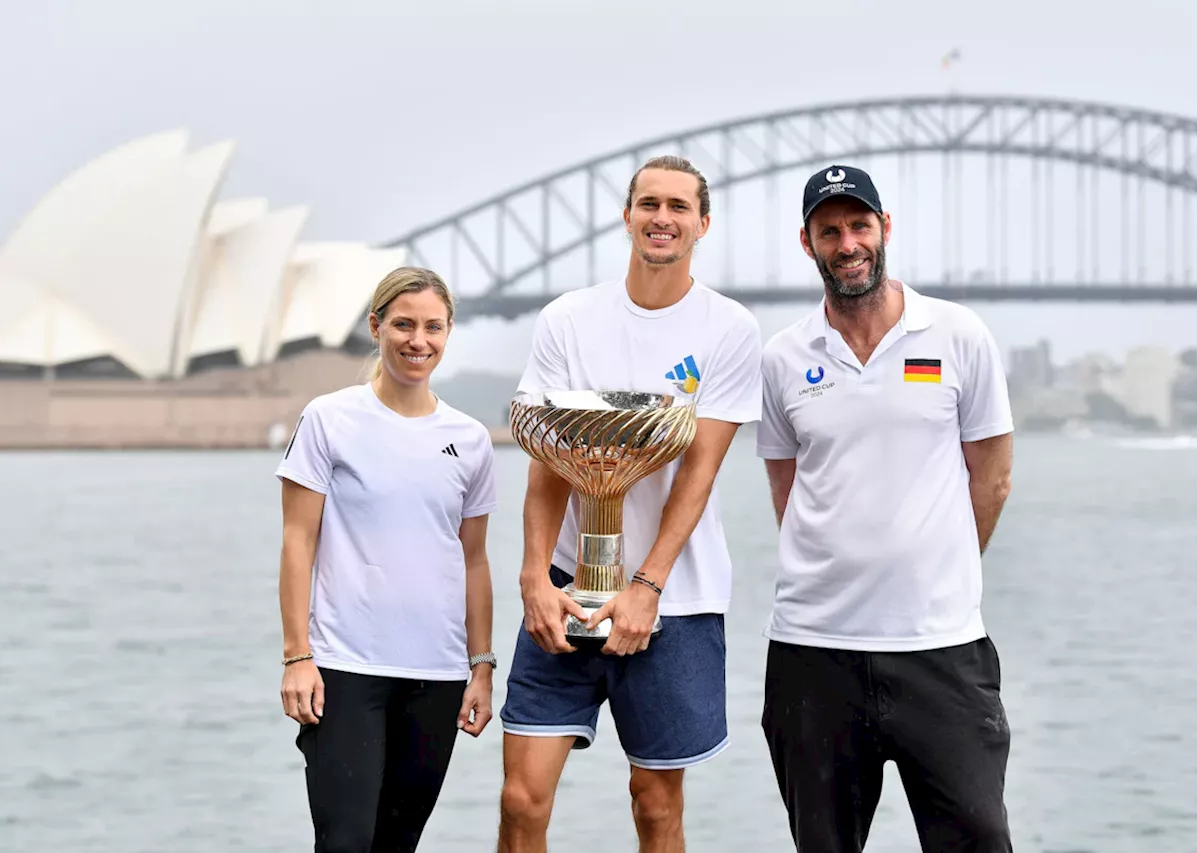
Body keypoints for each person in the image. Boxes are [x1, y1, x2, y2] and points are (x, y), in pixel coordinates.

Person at [496, 155, 763, 853]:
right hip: (565, 588)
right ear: (627, 216)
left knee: (654, 804)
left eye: (679, 206)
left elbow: (697, 473)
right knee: (521, 799)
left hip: (674, 598)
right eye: (649, 203)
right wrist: (532, 580)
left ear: (703, 224)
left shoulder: (729, 328)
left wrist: (646, 585)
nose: (662, 218)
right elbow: (549, 463)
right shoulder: (568, 319)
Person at [755, 165, 1016, 853]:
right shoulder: (782, 358)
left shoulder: (958, 335)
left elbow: (990, 480)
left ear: (885, 229)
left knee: (980, 837)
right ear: (807, 242)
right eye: (829, 230)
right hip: (814, 652)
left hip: (941, 648)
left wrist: (933, 561)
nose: (847, 244)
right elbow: (789, 491)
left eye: (859, 225)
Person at [275, 266, 499, 853]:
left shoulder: (470, 439)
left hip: (438, 673)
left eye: (432, 327)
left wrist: (481, 666)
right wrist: (298, 655)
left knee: (397, 843)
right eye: (402, 324)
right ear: (376, 327)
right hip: (345, 669)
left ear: (448, 333)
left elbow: (473, 559)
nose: (417, 340)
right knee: (346, 842)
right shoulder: (329, 418)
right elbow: (298, 540)